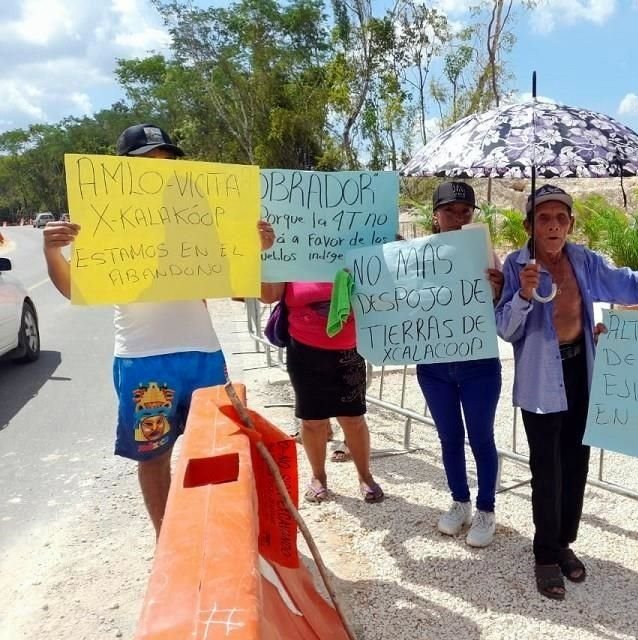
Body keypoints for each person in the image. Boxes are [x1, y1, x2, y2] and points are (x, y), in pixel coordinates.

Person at [41, 123, 276, 537]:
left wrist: (253, 250)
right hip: (143, 358)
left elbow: (237, 289)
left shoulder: (197, 217)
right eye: (148, 164)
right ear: (123, 169)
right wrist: (52, 251)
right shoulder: (102, 220)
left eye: (166, 163)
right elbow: (74, 288)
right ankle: (168, 539)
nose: (160, 171)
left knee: (218, 449)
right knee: (154, 455)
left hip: (204, 353)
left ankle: (221, 533)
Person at [495, 183, 638, 600]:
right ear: (529, 225)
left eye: (560, 218)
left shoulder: (582, 260)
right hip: (540, 381)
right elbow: (506, 329)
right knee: (546, 469)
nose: (553, 226)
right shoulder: (516, 265)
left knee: (576, 462)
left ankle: (564, 541)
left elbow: (626, 284)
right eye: (543, 218)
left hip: (581, 368)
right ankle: (544, 553)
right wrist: (524, 294)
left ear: (571, 224)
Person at [416, 182, 504, 548]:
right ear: (435, 216)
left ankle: (486, 509)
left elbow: (502, 312)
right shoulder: (414, 256)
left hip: (478, 365)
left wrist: (499, 289)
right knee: (449, 437)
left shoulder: (487, 256)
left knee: (481, 438)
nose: (458, 217)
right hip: (434, 366)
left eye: (466, 211)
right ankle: (459, 502)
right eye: (450, 210)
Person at [259, 277, 384, 505]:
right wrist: (261, 258)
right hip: (304, 351)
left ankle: (365, 476)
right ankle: (318, 477)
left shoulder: (356, 243)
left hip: (349, 350)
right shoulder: (291, 250)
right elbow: (268, 295)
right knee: (312, 420)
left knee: (353, 419)